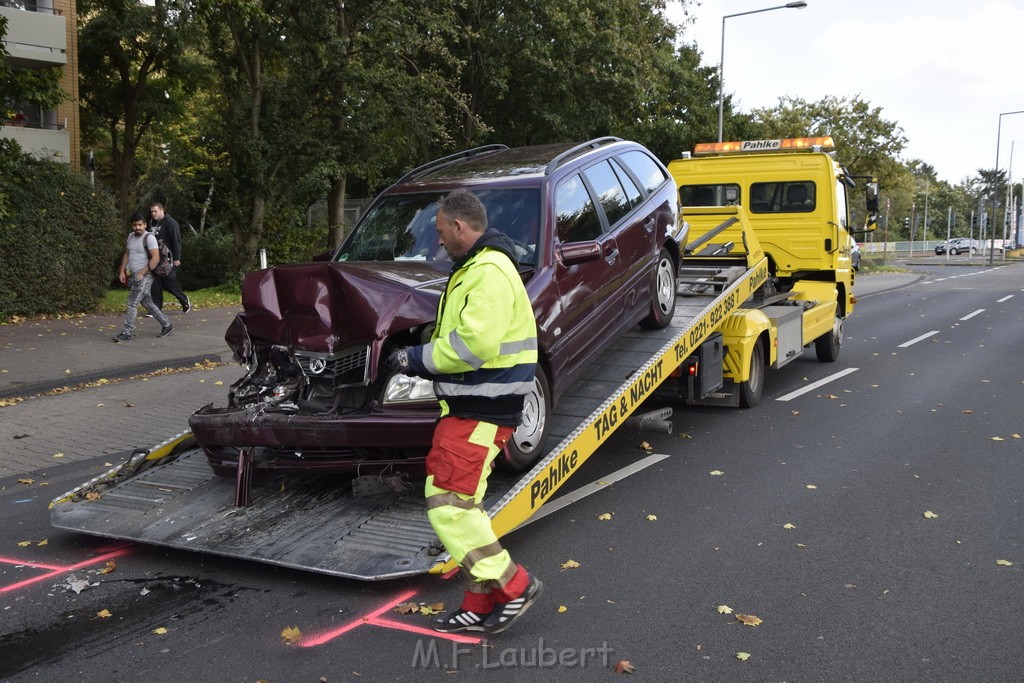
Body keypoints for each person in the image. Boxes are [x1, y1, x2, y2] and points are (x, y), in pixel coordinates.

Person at [385, 189, 542, 634]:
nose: (439, 243)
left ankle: (515, 585)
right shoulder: (479, 267)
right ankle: (477, 603)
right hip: (476, 406)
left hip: (480, 408)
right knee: (464, 507)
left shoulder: (487, 271)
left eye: (440, 233)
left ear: (459, 226)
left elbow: (473, 345)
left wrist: (412, 359)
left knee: (449, 508)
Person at [113, 213, 173, 342]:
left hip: (146, 275)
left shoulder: (149, 238)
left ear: (145, 225)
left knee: (131, 303)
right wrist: (122, 271)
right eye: (134, 225)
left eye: (140, 224)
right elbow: (127, 254)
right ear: (131, 225)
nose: (137, 227)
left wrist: (142, 272)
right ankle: (167, 324)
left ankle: (127, 333)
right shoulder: (130, 237)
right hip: (135, 274)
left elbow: (156, 258)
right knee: (146, 302)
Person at [148, 202, 191, 313]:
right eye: (151, 211)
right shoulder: (151, 223)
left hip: (168, 259)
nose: (153, 213)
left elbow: (176, 241)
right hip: (154, 258)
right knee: (154, 282)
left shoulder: (171, 223)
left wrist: (177, 258)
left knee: (169, 281)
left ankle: (183, 299)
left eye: (155, 211)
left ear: (162, 210)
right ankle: (156, 308)